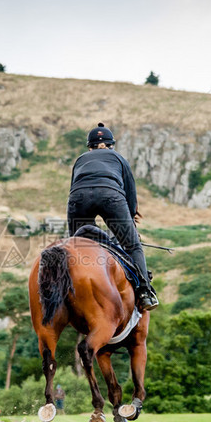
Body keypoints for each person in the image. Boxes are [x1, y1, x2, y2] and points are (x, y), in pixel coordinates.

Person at [67, 123, 158, 310]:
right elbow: (130, 193)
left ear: (89, 147)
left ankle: (67, 289)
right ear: (111, 145)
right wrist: (131, 219)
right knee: (133, 245)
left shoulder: (80, 160)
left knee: (75, 248)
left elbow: (73, 189)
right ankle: (144, 292)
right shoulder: (119, 158)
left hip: (78, 198)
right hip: (111, 196)